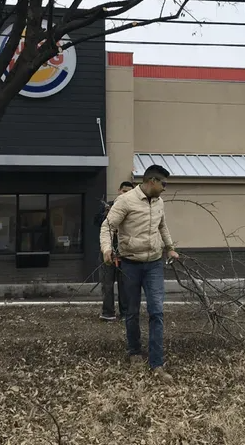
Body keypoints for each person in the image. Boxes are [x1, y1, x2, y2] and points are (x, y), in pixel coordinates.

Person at [100, 164, 179, 383]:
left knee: (157, 312)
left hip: (154, 264)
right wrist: (107, 250)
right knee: (132, 312)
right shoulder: (126, 201)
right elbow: (107, 227)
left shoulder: (159, 202)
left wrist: (170, 247)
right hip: (130, 265)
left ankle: (157, 364)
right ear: (152, 181)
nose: (165, 189)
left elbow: (162, 226)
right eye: (163, 184)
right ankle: (134, 351)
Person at [94, 181, 134, 321]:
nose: (126, 193)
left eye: (129, 191)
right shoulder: (108, 206)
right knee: (107, 283)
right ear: (119, 191)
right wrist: (107, 213)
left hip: (125, 251)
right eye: (124, 191)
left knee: (125, 285)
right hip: (107, 251)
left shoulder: (133, 208)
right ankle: (108, 313)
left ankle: (125, 313)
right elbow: (97, 222)